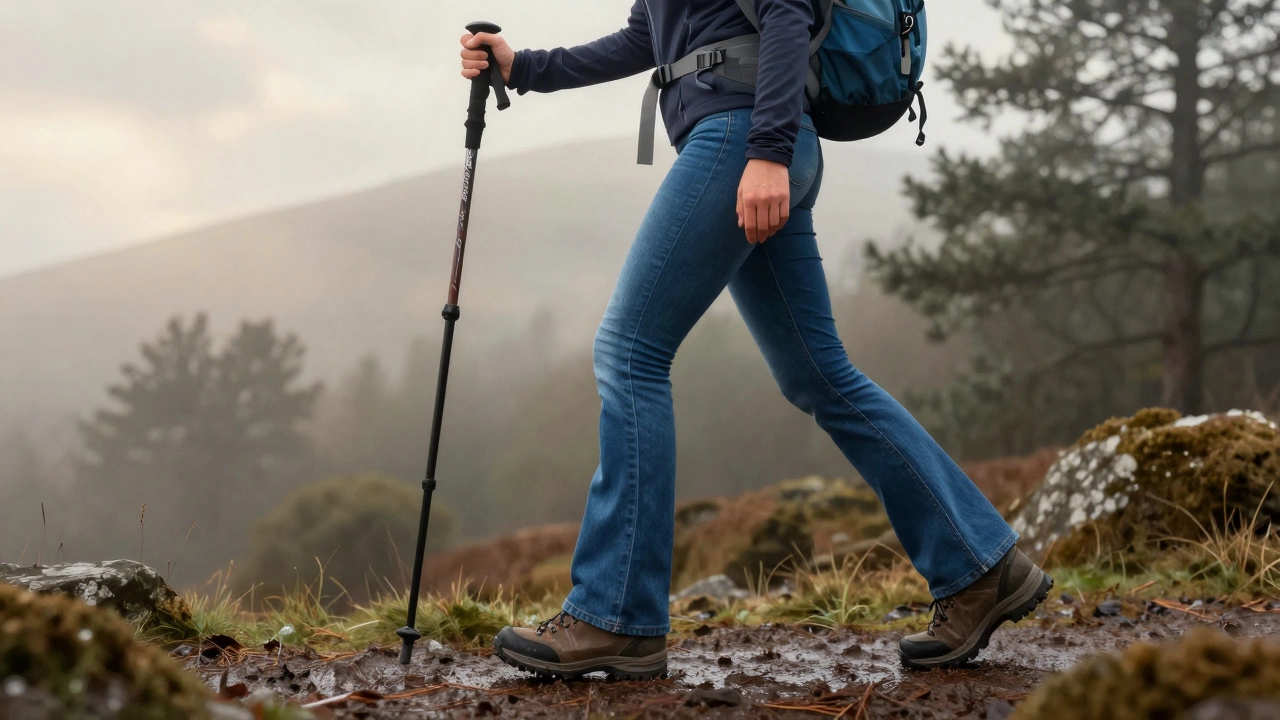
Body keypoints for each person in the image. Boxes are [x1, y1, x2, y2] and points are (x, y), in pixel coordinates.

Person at [459, 0, 1053, 679]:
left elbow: (785, 9)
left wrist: (767, 153)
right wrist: (525, 66)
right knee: (819, 375)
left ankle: (613, 614)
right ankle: (981, 566)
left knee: (630, 355)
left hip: (746, 139)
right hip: (758, 136)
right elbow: (645, 36)